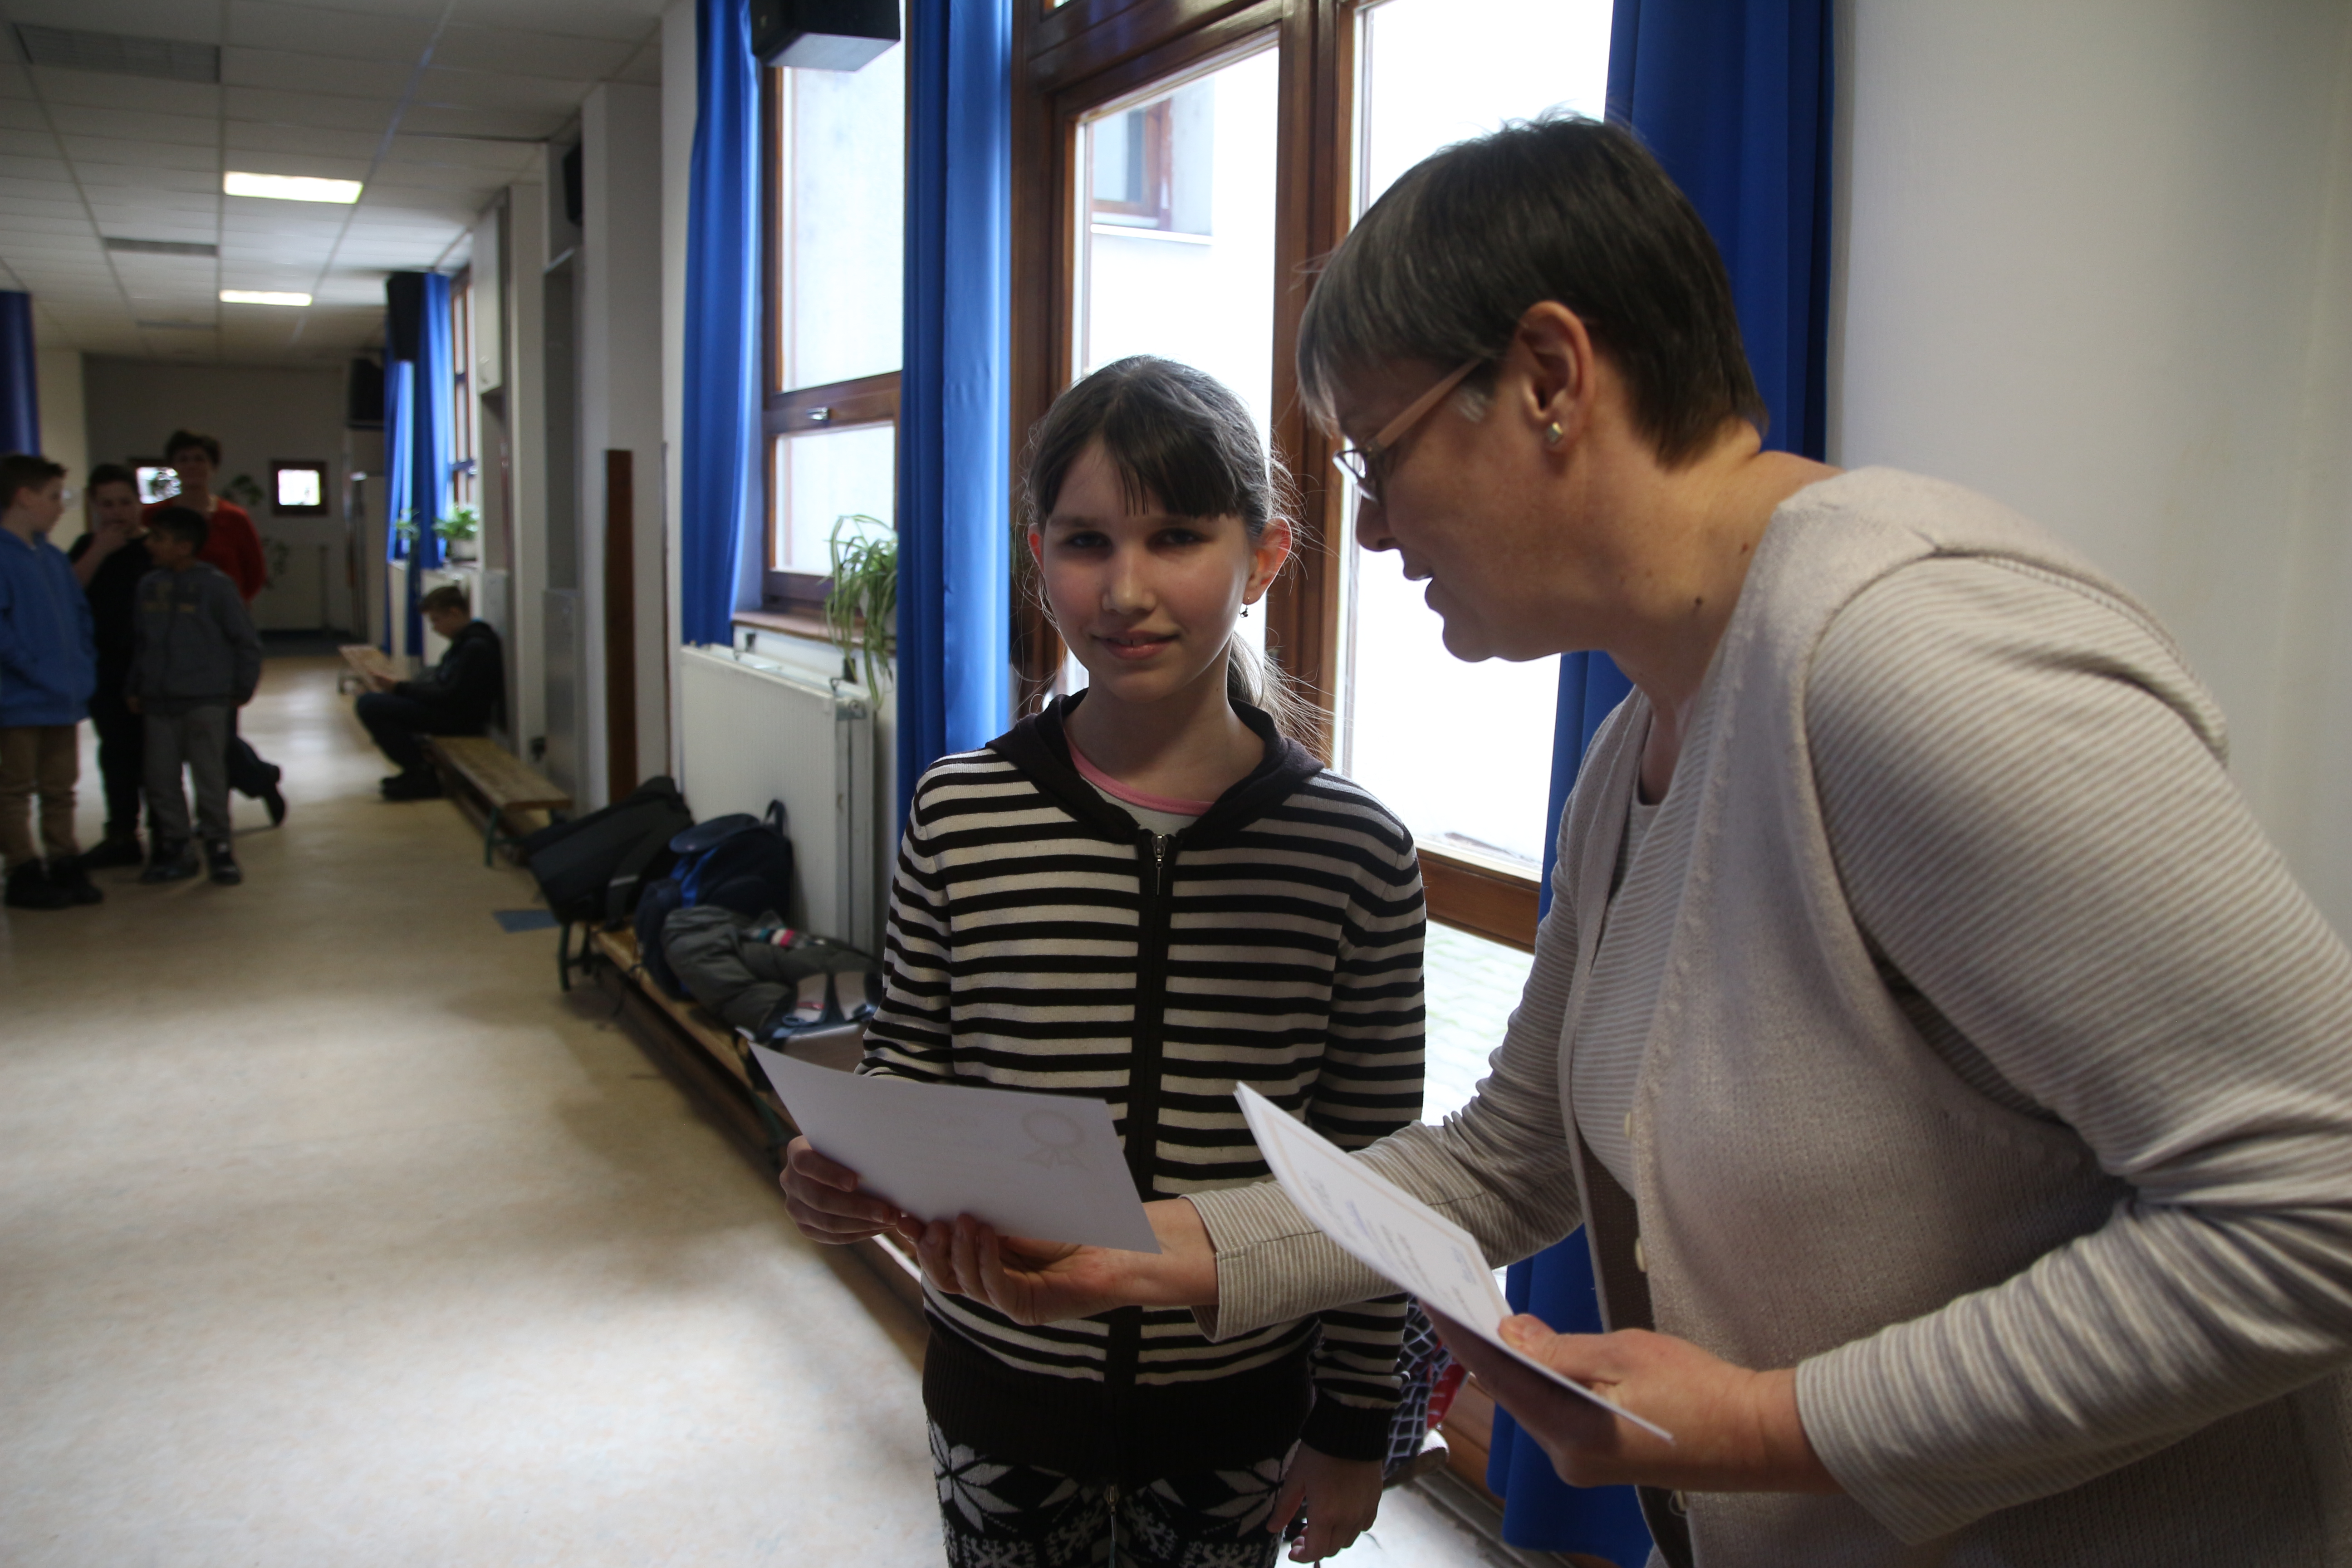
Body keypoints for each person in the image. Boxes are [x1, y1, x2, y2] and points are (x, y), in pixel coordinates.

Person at [799, 120, 2352, 1566]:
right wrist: (1166, 1250)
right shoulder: (1637, 749)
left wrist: (1765, 1424)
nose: (1373, 530)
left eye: (1378, 458)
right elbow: (1508, 1158)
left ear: (1548, 376)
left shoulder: (1908, 657)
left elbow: (2315, 1198)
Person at [783, 357, 1428, 1568]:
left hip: (1240, 1406)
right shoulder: (961, 812)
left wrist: (1354, 1422)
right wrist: (850, 1166)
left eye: (1177, 535)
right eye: (1086, 541)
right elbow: (909, 1059)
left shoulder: (1353, 852)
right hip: (1000, 1386)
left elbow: (1372, 1167)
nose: (1125, 589)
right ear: (1040, 558)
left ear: (1264, 557)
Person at [149, 428, 284, 826]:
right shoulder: (156, 518)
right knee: (177, 736)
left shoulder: (232, 518)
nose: (192, 466)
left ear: (212, 467)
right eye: (184, 459)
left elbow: (253, 575)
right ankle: (259, 777)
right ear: (173, 467)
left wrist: (227, 615)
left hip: (219, 639)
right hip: (170, 641)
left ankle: (215, 819)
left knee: (218, 731)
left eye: (200, 459)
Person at [130, 507, 260, 887]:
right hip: (159, 702)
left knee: (209, 777)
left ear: (185, 546)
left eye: (159, 538)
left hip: (205, 699)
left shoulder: (216, 587)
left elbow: (245, 641)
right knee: (161, 779)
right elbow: (142, 643)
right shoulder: (149, 586)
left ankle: (219, 847)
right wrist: (135, 686)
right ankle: (176, 847)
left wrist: (242, 686)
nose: (150, 544)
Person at [0, 453, 100, 910]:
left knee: (61, 787)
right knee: (16, 788)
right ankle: (22, 867)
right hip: (19, 698)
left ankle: (64, 858)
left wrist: (82, 664)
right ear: (24, 497)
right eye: (54, 497)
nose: (61, 507)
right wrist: (34, 669)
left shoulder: (55, 558)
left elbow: (79, 615)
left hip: (63, 694)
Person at [69, 464, 155, 869]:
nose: (117, 512)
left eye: (124, 503)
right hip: (106, 667)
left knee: (155, 754)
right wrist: (99, 551)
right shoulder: (87, 546)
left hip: (152, 667)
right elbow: (68, 593)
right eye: (107, 505)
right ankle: (121, 833)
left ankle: (166, 832)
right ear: (94, 507)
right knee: (117, 752)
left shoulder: (155, 547)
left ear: (138, 503)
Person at [356, 584, 504, 800]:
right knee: (376, 702)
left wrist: (400, 688)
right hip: (446, 711)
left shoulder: (476, 647)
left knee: (371, 706)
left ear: (454, 613)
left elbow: (451, 696)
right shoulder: (464, 643)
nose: (434, 628)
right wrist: (401, 689)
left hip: (458, 719)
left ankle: (420, 772)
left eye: (436, 620)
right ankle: (416, 771)